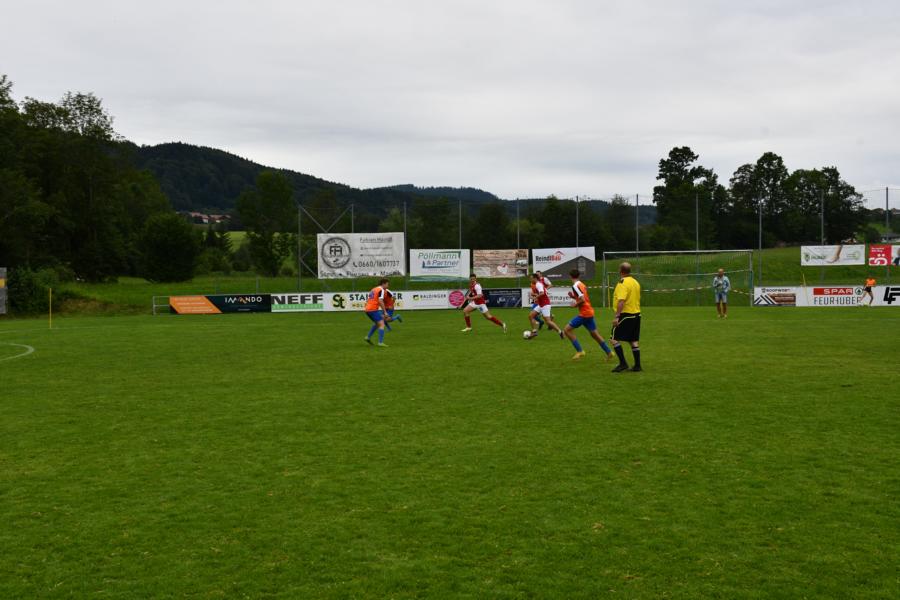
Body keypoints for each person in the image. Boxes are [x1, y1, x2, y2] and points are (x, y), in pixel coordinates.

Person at [562, 269, 613, 361]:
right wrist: (573, 297)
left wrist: (575, 305)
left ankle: (580, 351)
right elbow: (582, 297)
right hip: (589, 312)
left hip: (584, 314)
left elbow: (582, 300)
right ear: (578, 276)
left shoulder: (575, 286)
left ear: (570, 276)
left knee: (567, 330)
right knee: (595, 334)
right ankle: (609, 352)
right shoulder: (581, 284)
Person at [610, 262, 642, 372]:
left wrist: (617, 316)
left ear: (620, 270)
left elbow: (621, 301)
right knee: (633, 340)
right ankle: (637, 366)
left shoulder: (622, 283)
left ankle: (623, 364)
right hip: (636, 315)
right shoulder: (635, 282)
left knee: (613, 339)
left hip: (626, 315)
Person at [527, 272, 563, 339]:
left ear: (535, 278)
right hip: (541, 304)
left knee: (548, 321)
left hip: (545, 304)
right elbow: (541, 293)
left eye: (531, 278)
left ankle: (560, 332)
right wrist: (534, 295)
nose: (530, 280)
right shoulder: (537, 284)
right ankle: (534, 332)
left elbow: (542, 293)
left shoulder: (538, 284)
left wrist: (535, 297)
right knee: (530, 316)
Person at [364, 278, 390, 346]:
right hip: (373, 309)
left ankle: (368, 337)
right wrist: (385, 312)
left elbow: (369, 299)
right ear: (383, 284)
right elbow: (380, 301)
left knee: (377, 323)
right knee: (382, 324)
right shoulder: (381, 290)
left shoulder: (374, 289)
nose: (388, 286)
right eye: (387, 284)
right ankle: (380, 342)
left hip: (368, 309)